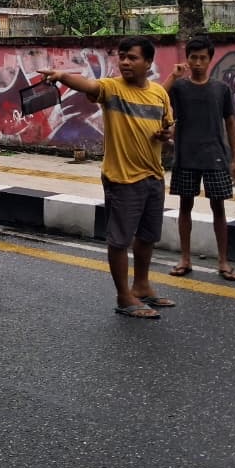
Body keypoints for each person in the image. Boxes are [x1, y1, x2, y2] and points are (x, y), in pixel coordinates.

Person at [40, 36, 176, 320]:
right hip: (123, 178)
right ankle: (124, 296)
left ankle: (141, 285)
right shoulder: (112, 89)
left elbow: (167, 127)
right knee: (119, 240)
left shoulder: (159, 94)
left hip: (153, 175)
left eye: (132, 57)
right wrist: (62, 75)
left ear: (148, 63)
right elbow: (89, 85)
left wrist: (167, 135)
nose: (125, 62)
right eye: (122, 56)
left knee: (148, 236)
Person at [162, 35, 235, 281]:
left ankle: (223, 261)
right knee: (185, 206)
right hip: (186, 156)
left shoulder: (221, 89)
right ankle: (185, 258)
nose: (197, 63)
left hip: (215, 156)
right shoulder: (178, 87)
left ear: (210, 59)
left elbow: (230, 123)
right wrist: (173, 76)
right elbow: (156, 98)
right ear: (187, 59)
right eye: (193, 58)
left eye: (202, 58)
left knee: (219, 207)